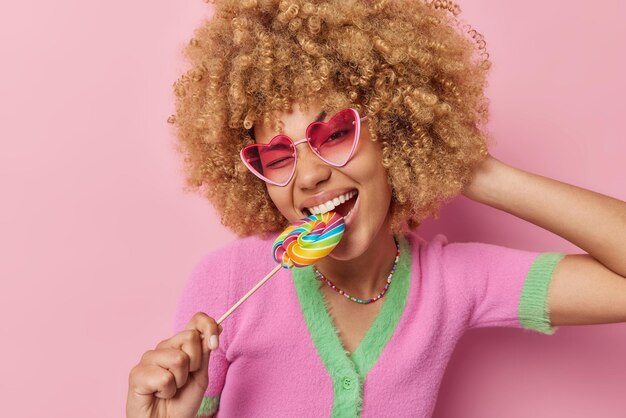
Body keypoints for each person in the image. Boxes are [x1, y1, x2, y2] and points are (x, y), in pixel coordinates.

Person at [126, 0, 626, 417]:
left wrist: (476, 171)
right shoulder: (227, 283)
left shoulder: (450, 283)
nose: (309, 175)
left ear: (395, 131)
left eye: (335, 133)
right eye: (278, 156)